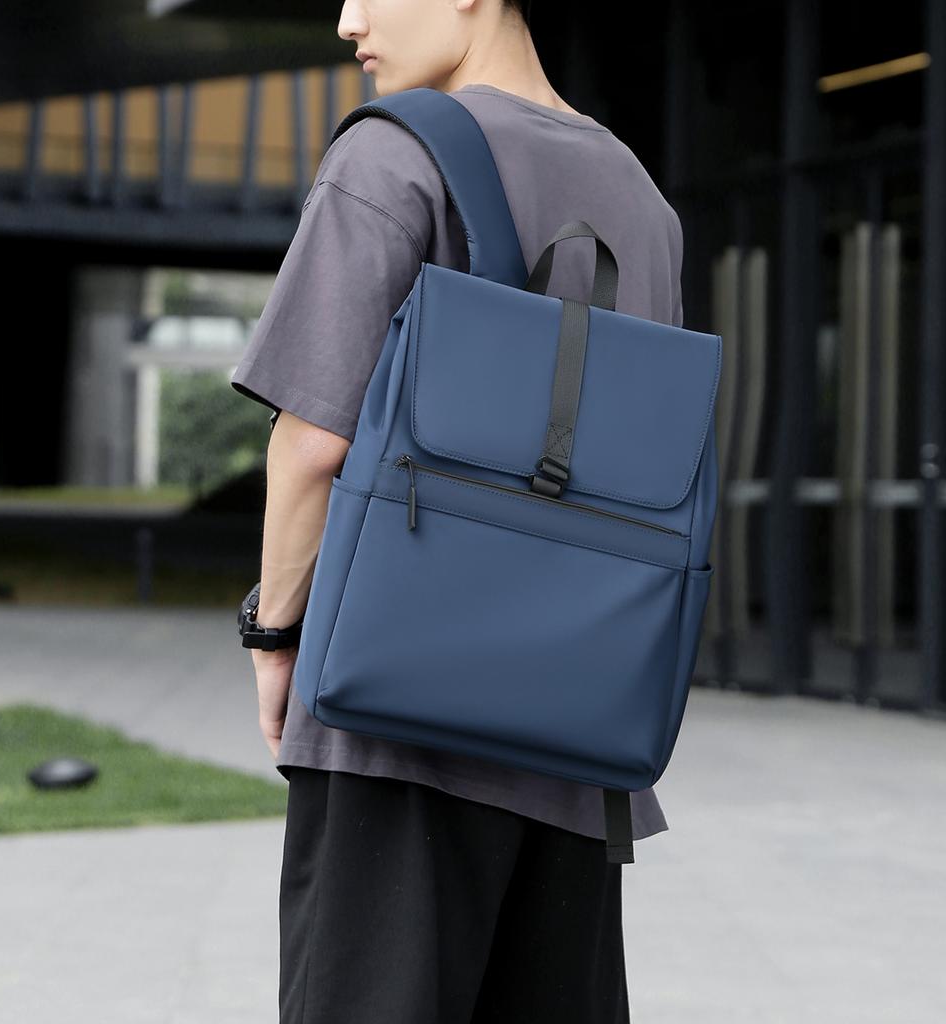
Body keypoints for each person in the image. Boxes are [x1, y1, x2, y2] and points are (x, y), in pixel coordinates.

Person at [230, 0, 686, 1020]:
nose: (347, 20)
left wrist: (274, 634)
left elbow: (313, 442)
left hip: (399, 715)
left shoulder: (395, 156)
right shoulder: (642, 198)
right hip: (577, 736)